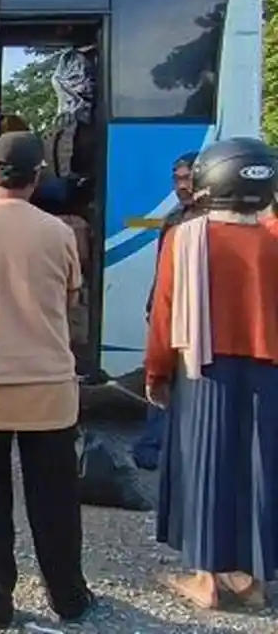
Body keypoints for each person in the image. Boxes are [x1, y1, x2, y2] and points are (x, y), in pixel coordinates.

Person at [0, 132, 95, 629]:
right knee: (55, 500)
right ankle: (68, 597)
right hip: (48, 386)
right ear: (37, 178)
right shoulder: (59, 233)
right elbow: (70, 299)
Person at [146, 136, 278, 611]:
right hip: (271, 371)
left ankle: (208, 582)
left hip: (204, 370)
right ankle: (256, 583)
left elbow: (164, 312)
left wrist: (156, 372)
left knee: (206, 470)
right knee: (262, 470)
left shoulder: (187, 237)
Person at [133, 151, 200, 470]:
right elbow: (164, 275)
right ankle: (153, 447)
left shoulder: (208, 222)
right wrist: (153, 307)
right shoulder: (175, 218)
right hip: (170, 316)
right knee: (160, 383)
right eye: (177, 179)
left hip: (197, 323)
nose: (180, 186)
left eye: (187, 178)